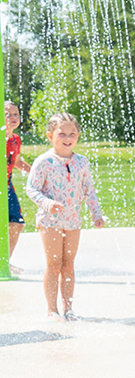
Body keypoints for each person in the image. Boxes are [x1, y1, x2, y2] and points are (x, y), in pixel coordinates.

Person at [25, 113, 105, 321]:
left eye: (72, 133)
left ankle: (68, 309)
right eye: (62, 134)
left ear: (78, 135)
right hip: (49, 221)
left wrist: (95, 213)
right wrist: (48, 203)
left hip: (73, 221)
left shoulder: (82, 162)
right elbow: (31, 189)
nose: (67, 137)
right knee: (54, 265)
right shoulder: (43, 161)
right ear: (50, 135)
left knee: (68, 265)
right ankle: (52, 310)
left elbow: (89, 190)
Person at [6, 101, 31, 269]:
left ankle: (3, 262)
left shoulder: (15, 139)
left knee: (17, 223)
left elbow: (16, 162)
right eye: (8, 114)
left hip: (6, 186)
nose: (14, 117)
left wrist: (37, 172)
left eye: (16, 114)